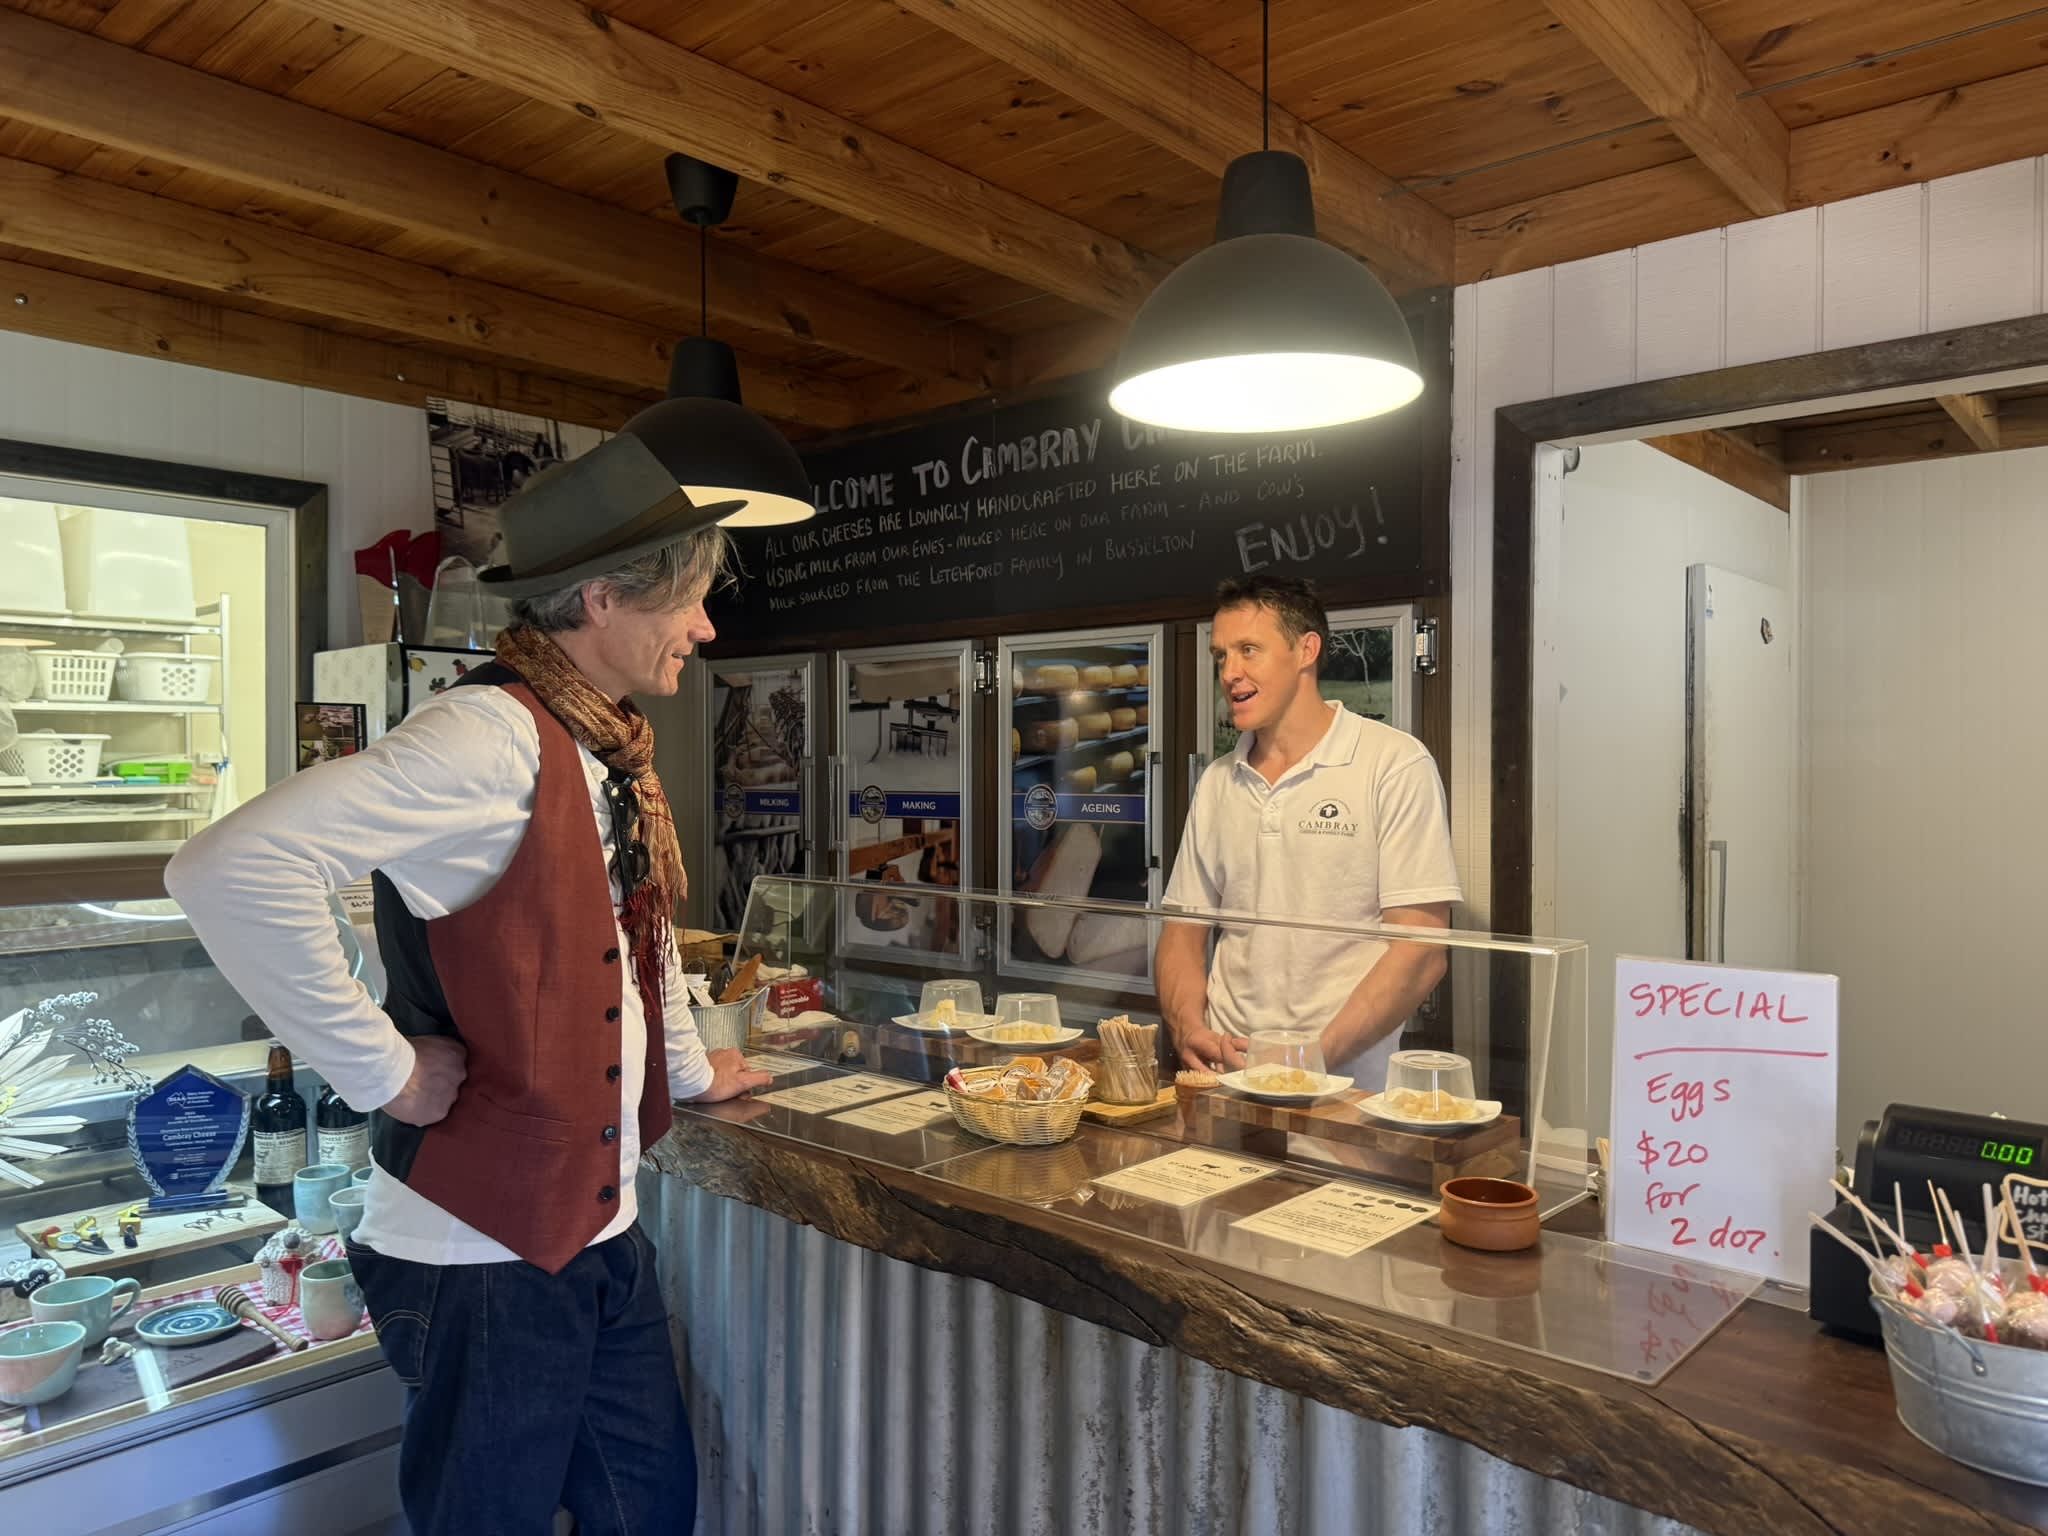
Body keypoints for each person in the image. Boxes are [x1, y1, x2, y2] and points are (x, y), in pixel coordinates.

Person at [166, 426, 772, 1536]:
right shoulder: (483, 738)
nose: (704, 625)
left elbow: (638, 938)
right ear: (599, 601)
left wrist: (687, 1072)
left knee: (652, 1513)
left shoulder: (609, 748)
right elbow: (229, 866)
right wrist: (382, 1071)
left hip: (597, 1236)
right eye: (685, 599)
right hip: (475, 1257)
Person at [1157, 576, 1462, 1090]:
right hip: (1228, 1077)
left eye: (1248, 650)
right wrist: (1188, 1027)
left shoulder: (1392, 763)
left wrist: (1311, 1061)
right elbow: (1182, 932)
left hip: (1349, 1090)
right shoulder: (1217, 782)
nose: (1230, 673)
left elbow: (1422, 951)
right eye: (1220, 656)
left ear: (1307, 649)